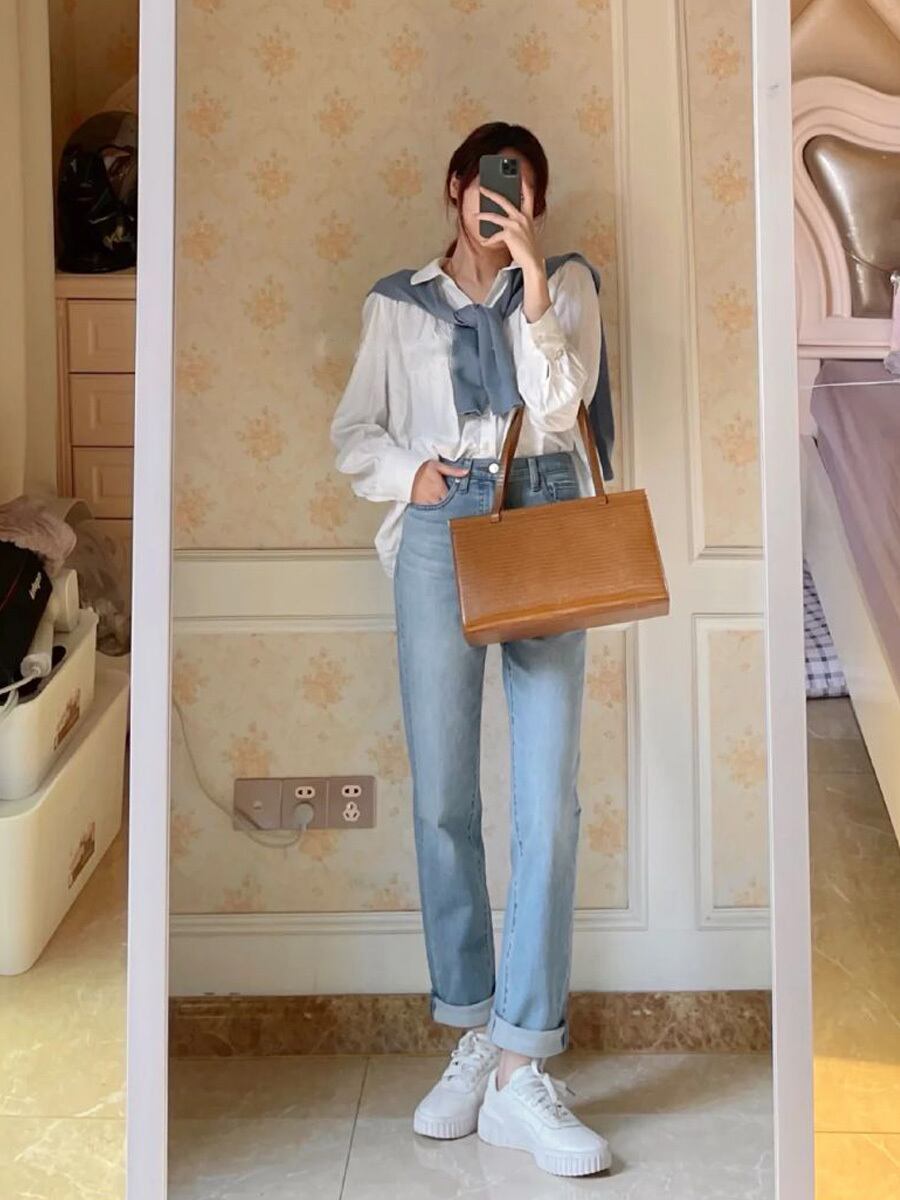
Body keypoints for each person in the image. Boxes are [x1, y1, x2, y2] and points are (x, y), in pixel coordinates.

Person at [330, 122, 612, 1178]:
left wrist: (530, 281)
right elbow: (354, 431)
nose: (501, 206)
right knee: (445, 796)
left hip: (543, 519)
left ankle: (521, 1065)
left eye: (521, 194)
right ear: (455, 188)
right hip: (437, 533)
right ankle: (472, 1032)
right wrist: (409, 477)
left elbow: (563, 410)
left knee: (549, 801)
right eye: (490, 188)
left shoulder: (566, 285)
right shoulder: (395, 305)